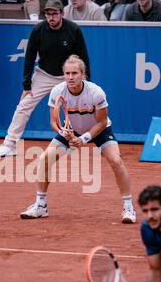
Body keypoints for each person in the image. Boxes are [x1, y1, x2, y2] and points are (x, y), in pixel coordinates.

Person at [20, 55, 136, 224]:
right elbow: (53, 121)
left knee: (116, 161)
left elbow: (102, 122)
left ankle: (128, 207)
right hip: (70, 129)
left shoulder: (96, 92)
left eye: (74, 73)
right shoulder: (57, 91)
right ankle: (40, 205)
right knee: (45, 159)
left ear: (83, 74)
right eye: (67, 73)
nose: (70, 77)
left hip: (98, 129)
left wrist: (84, 139)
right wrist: (62, 130)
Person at [0, 0, 90, 158]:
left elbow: (83, 57)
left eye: (54, 14)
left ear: (62, 14)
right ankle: (10, 144)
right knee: (24, 106)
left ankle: (102, 141)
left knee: (87, 107)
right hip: (43, 75)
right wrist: (26, 85)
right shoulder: (38, 30)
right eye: (48, 14)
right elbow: (29, 57)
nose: (51, 17)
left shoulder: (73, 30)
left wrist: (86, 81)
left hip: (68, 77)